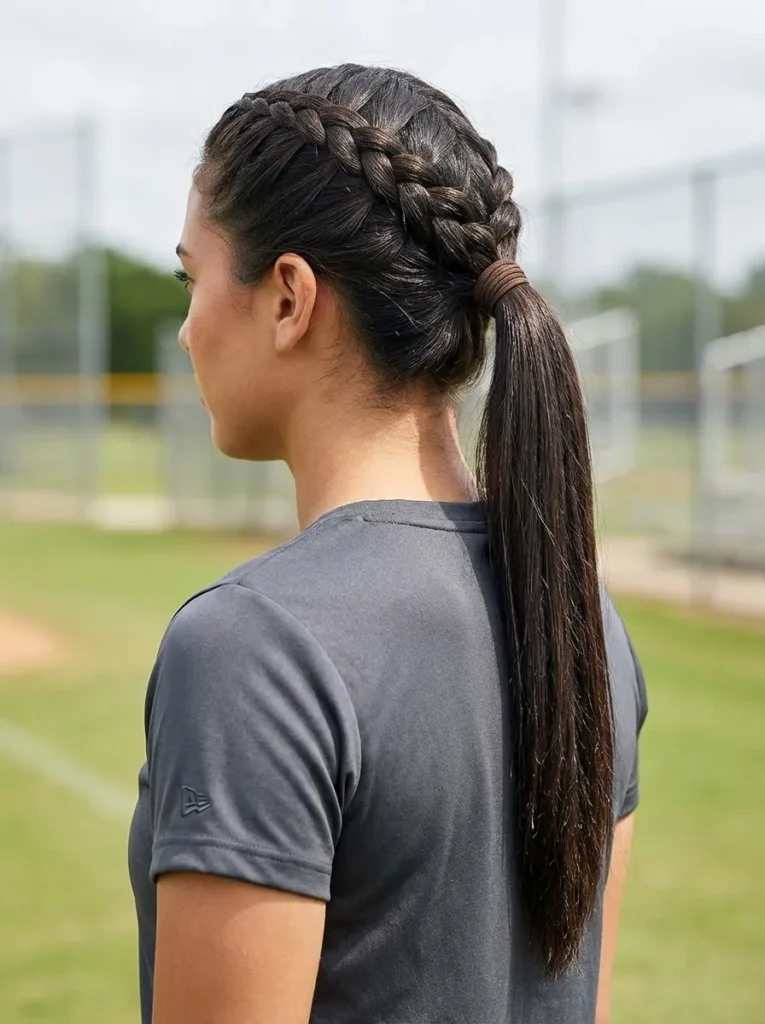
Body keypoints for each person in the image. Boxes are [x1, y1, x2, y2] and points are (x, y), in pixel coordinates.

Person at [129, 64, 647, 1024]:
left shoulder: (255, 652)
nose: (187, 331)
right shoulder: (583, 628)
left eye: (190, 278)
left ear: (288, 297)